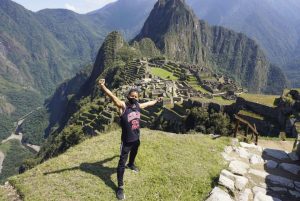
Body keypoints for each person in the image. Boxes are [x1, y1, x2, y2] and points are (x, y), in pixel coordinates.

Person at [98, 79, 162, 200]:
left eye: (136, 96)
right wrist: (102, 86)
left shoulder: (137, 105)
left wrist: (156, 100)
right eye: (132, 96)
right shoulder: (123, 106)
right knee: (121, 163)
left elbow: (148, 104)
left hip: (136, 137)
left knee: (135, 150)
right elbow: (112, 96)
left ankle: (131, 164)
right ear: (128, 96)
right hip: (126, 141)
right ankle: (120, 187)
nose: (134, 98)